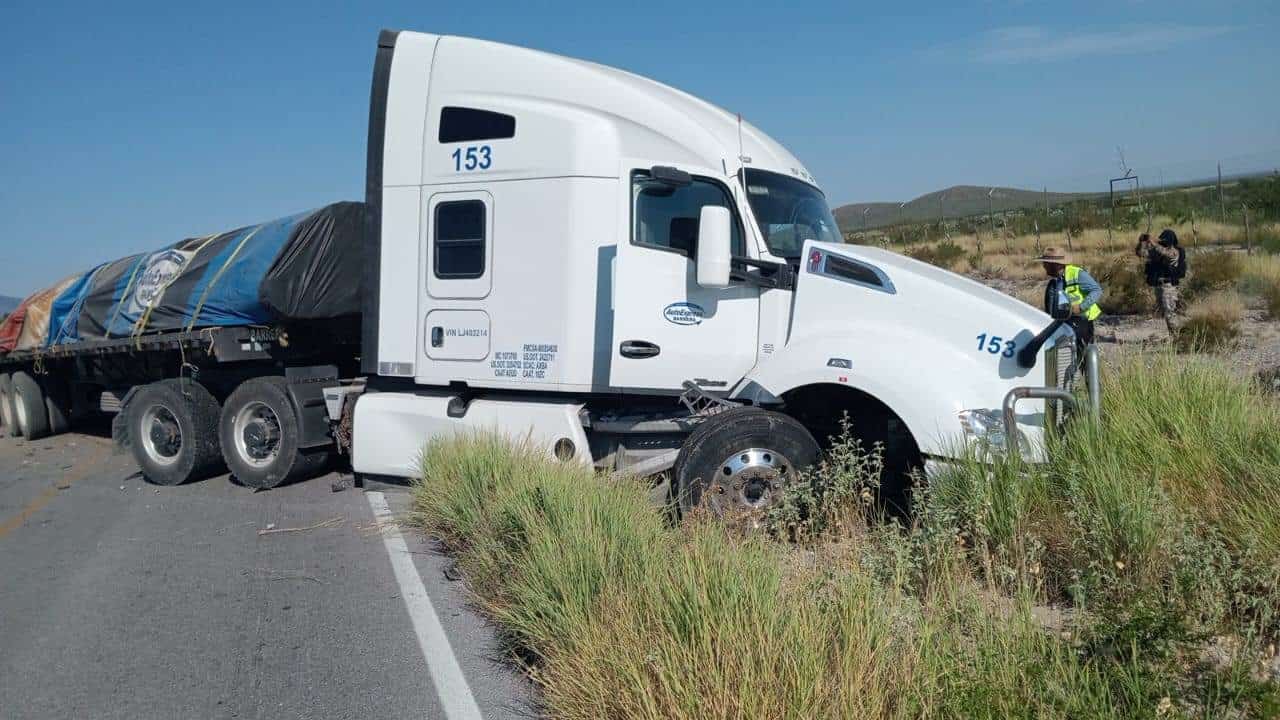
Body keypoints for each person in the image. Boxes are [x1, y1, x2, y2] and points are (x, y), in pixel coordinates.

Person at [1034, 247, 1103, 350]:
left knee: (1082, 353)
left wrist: (1080, 307)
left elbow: (1096, 290)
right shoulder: (1053, 283)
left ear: (1056, 265)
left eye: (1046, 263)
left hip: (1081, 321)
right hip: (1063, 323)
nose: (1044, 266)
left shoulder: (1078, 274)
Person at [1136, 229, 1186, 336]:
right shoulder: (1157, 250)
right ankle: (1175, 335)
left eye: (1164, 240)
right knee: (1165, 312)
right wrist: (1141, 242)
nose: (1162, 241)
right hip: (1159, 285)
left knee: (1169, 313)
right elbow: (1141, 254)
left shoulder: (1175, 251)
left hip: (1169, 286)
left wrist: (1152, 242)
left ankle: (1177, 336)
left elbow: (1166, 253)